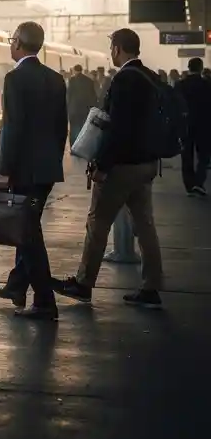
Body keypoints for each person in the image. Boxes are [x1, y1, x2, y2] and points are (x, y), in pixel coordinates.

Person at [52, 28, 165, 309]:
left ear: (118, 48)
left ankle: (83, 284)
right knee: (145, 225)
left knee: (98, 222)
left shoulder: (124, 80)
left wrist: (102, 164)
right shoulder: (150, 77)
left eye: (112, 47)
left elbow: (118, 130)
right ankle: (151, 287)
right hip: (147, 163)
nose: (111, 52)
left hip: (122, 166)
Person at [0, 21, 68, 321]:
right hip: (46, 170)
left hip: (23, 170)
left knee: (29, 235)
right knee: (26, 229)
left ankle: (45, 302)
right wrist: (52, 160)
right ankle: (16, 286)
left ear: (19, 43)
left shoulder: (15, 79)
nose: (10, 45)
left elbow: (13, 128)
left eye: (12, 40)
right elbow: (61, 127)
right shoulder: (55, 78)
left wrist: (4, 170)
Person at [176, 56, 211, 197]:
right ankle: (199, 181)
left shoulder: (180, 85)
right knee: (204, 155)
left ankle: (189, 185)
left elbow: (175, 106)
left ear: (188, 68)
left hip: (185, 124)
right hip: (204, 124)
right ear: (201, 68)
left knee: (186, 155)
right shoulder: (207, 84)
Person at [66, 64, 98, 147]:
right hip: (85, 110)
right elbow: (93, 96)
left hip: (74, 109)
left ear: (74, 70)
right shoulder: (89, 81)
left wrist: (68, 108)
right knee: (84, 128)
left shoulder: (72, 80)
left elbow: (69, 95)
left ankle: (73, 145)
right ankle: (82, 145)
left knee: (73, 129)